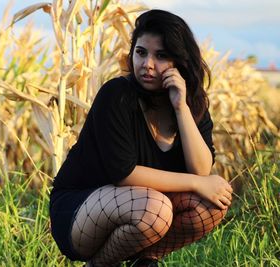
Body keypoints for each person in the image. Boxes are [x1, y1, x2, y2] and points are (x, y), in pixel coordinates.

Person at [49, 9, 233, 267]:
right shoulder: (117, 95)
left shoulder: (192, 103)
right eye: (141, 52)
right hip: (81, 208)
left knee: (211, 204)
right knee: (155, 209)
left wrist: (181, 108)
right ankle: (99, 265)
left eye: (161, 56)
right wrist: (196, 182)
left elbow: (201, 170)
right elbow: (124, 174)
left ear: (180, 61)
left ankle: (147, 259)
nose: (147, 64)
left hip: (145, 207)